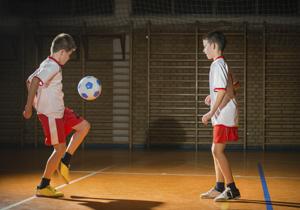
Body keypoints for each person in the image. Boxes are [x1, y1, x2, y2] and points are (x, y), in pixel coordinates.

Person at [23, 33, 91, 197]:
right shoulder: (52, 66)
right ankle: (43, 186)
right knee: (59, 149)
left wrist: (35, 103)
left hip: (60, 111)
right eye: (69, 54)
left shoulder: (47, 63)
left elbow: (29, 80)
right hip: (52, 115)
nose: (68, 58)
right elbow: (33, 82)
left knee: (84, 127)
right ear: (61, 52)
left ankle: (66, 160)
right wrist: (29, 106)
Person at [200, 31, 241, 202]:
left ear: (214, 46)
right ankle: (219, 187)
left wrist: (211, 111)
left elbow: (224, 90)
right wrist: (212, 96)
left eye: (205, 46)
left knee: (217, 150)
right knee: (214, 150)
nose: (203, 50)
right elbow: (231, 86)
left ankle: (231, 189)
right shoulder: (221, 64)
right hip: (223, 113)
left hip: (223, 114)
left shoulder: (217, 65)